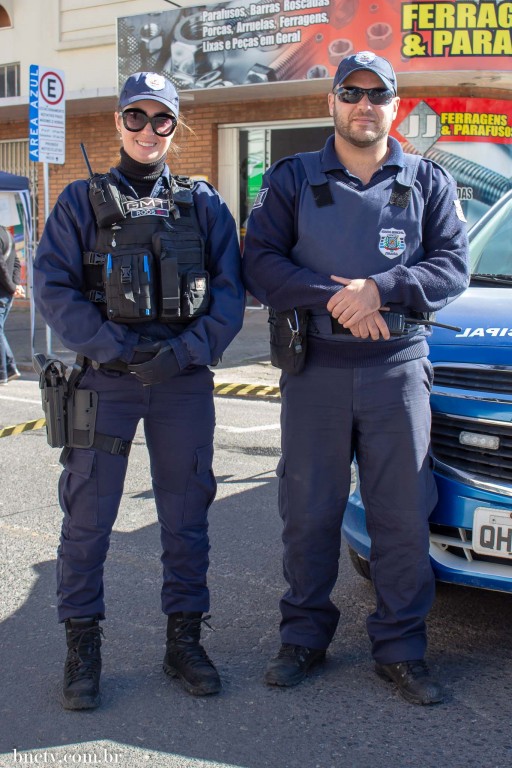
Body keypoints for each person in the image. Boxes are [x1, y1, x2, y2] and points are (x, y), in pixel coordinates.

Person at [242, 51, 469, 705]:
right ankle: (303, 639)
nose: (364, 104)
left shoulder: (428, 180)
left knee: (402, 516)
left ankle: (401, 649)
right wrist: (338, 297)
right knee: (307, 512)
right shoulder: (292, 178)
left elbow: (452, 267)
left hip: (396, 368)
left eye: (377, 94)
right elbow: (259, 262)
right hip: (315, 367)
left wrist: (382, 288)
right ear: (332, 102)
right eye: (351, 92)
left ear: (394, 106)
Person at [33, 71, 245, 710]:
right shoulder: (79, 201)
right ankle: (82, 646)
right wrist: (115, 348)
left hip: (182, 382)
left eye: (161, 119)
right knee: (88, 518)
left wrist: (185, 352)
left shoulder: (203, 203)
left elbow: (230, 294)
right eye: (136, 117)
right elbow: (53, 288)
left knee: (186, 517)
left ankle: (184, 641)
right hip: (108, 380)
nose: (148, 130)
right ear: (118, 121)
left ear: (175, 127)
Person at [0, 225, 23, 384]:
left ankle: (4, 372)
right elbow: (16, 262)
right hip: (6, 294)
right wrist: (15, 285)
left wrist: (12, 287)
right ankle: (9, 368)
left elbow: (1, 267)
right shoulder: (7, 234)